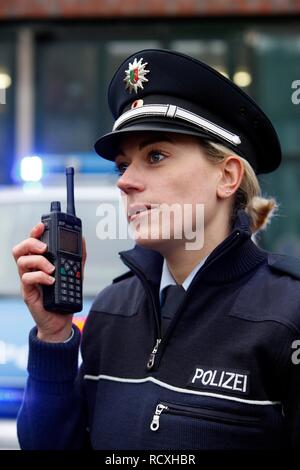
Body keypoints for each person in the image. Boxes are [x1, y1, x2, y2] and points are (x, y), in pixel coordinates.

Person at [13, 49, 300, 450]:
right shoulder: (111, 310)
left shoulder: (289, 314)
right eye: (123, 165)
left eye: (156, 155)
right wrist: (54, 336)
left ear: (228, 176)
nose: (125, 181)